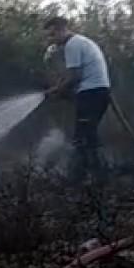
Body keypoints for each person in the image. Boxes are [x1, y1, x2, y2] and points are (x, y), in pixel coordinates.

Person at [42, 16, 111, 182]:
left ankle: (88, 178)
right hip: (97, 92)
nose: (51, 40)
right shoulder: (81, 42)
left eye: (52, 35)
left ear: (61, 29)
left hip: (91, 93)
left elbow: (75, 77)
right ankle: (92, 176)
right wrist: (61, 90)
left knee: (83, 138)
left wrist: (56, 91)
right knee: (86, 135)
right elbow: (74, 77)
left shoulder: (72, 45)